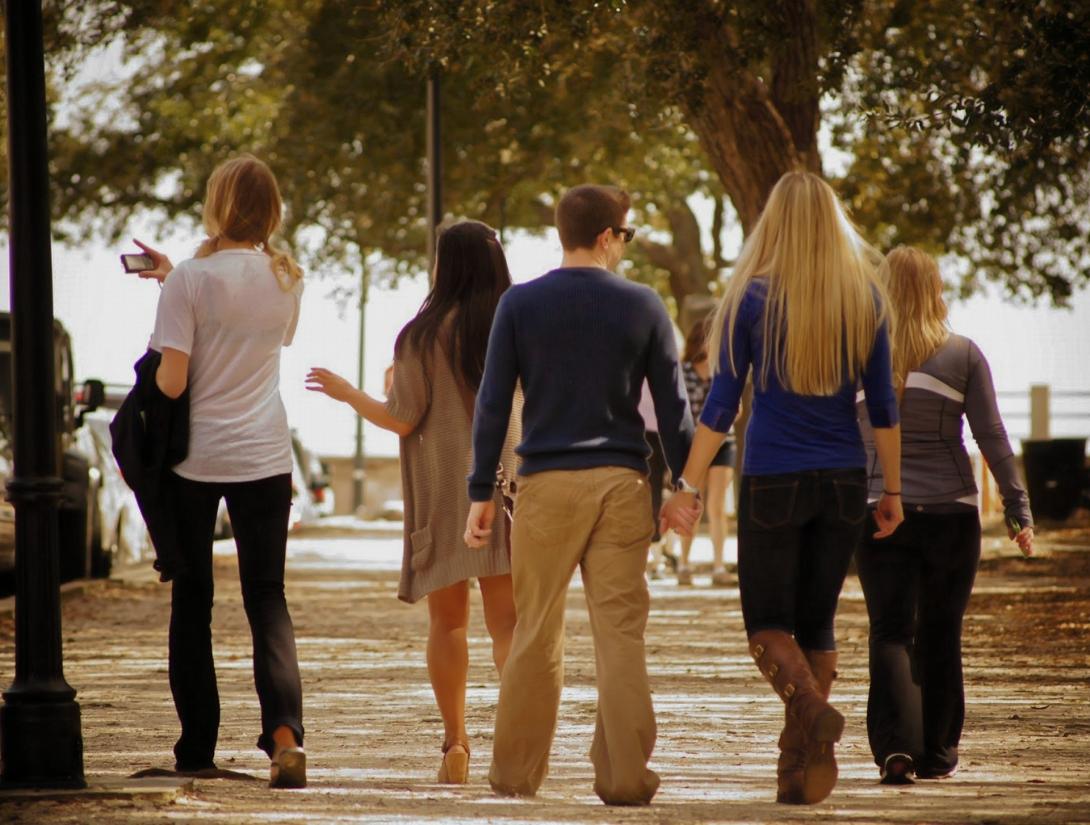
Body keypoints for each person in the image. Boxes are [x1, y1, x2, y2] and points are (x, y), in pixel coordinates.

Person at [665, 169, 904, 805]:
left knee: (767, 626)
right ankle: (795, 770)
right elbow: (884, 406)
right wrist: (893, 491)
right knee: (816, 622)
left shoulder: (751, 298)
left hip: (773, 476)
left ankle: (812, 713)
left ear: (774, 223)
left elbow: (722, 404)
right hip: (844, 479)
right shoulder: (866, 299)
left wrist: (687, 484)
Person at [464, 184, 697, 806]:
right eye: (625, 235)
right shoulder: (643, 304)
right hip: (622, 483)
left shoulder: (520, 303)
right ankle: (624, 777)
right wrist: (685, 484)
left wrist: (480, 490)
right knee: (619, 634)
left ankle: (515, 775)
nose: (625, 245)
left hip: (545, 485)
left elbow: (493, 402)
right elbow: (674, 407)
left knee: (536, 629)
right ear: (605, 236)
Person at [306, 220, 518, 784]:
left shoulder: (420, 336)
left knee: (448, 622)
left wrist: (349, 393)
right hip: (508, 487)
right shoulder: (517, 322)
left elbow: (402, 417)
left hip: (446, 490)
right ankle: (517, 740)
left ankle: (456, 744)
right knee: (509, 625)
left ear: (446, 265)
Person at [133, 154, 308, 788]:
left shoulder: (191, 280)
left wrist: (167, 314)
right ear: (271, 210)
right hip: (265, 456)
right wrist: (176, 282)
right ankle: (285, 737)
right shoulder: (289, 278)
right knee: (267, 597)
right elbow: (254, 331)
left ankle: (197, 749)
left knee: (193, 600)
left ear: (217, 204)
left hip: (196, 461)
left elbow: (173, 382)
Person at [856, 246, 1035, 785]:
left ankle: (896, 748)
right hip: (951, 514)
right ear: (935, 289)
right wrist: (1017, 506)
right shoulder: (963, 354)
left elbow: (837, 433)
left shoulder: (858, 353)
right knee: (940, 630)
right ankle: (936, 752)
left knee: (891, 629)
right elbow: (991, 435)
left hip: (878, 509)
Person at [676, 316, 735, 587]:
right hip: (694, 444)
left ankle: (719, 565)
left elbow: (736, 409)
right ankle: (683, 564)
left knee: (716, 506)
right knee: (691, 502)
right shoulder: (683, 371)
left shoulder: (724, 371)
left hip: (724, 442)